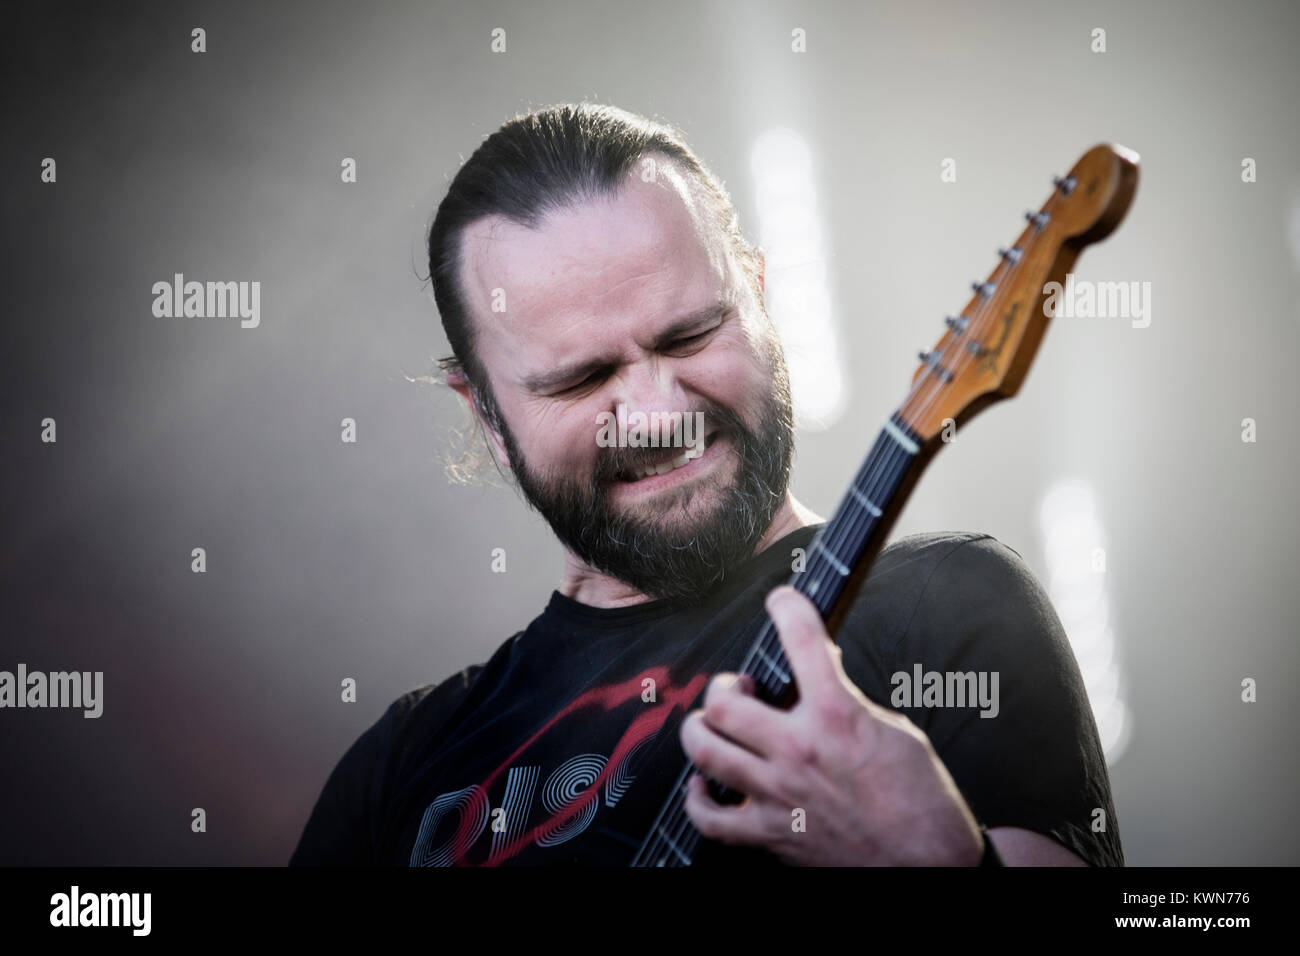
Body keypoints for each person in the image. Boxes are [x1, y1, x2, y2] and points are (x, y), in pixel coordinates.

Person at [289, 103, 1124, 868]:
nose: (658, 415)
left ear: (759, 298)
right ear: (486, 418)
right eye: (580, 380)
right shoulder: (399, 766)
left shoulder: (945, 613)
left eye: (691, 334)